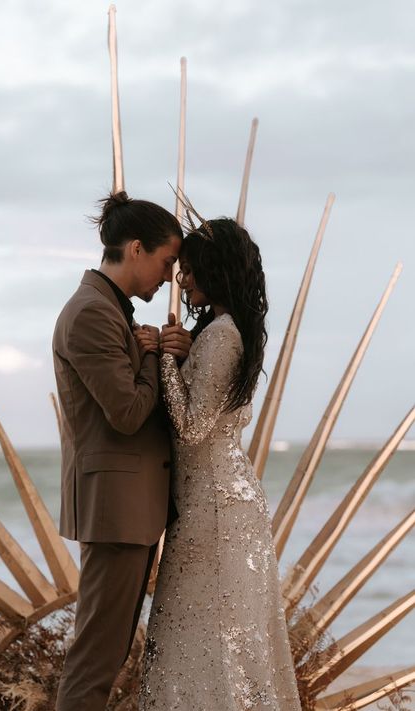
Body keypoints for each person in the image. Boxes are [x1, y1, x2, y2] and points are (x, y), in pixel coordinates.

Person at [138, 214, 302, 710]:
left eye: (189, 269)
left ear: (215, 268)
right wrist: (182, 353)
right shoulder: (227, 330)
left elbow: (191, 427)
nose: (181, 279)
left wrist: (164, 358)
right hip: (220, 502)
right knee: (218, 642)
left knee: (194, 639)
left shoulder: (221, 335)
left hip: (214, 512)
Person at [52, 190, 192, 711]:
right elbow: (129, 413)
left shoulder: (109, 310)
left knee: (103, 662)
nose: (169, 276)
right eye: (166, 261)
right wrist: (154, 355)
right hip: (115, 510)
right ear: (137, 249)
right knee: (94, 665)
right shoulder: (91, 313)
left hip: (128, 509)